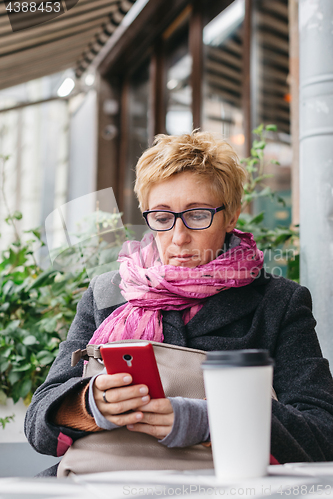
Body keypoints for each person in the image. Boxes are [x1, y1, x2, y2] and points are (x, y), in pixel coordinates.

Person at [25, 131, 333, 476]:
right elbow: (39, 424)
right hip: (98, 482)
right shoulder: (108, 292)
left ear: (231, 216)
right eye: (161, 217)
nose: (179, 236)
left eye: (198, 215)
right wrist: (91, 403)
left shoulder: (277, 301)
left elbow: (322, 433)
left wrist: (207, 421)